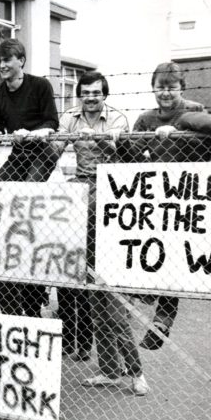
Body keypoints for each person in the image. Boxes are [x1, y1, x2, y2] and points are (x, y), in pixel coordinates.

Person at [118, 62, 211, 350]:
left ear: (182, 87)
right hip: (154, 191)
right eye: (160, 87)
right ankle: (147, 295)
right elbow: (132, 155)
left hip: (187, 192)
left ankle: (163, 319)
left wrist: (178, 128)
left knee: (177, 254)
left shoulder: (192, 108)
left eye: (172, 87)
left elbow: (203, 129)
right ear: (153, 88)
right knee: (153, 249)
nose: (166, 93)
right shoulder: (145, 118)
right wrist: (120, 142)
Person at [54, 71, 149, 395]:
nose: (91, 97)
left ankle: (136, 372)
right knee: (94, 301)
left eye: (97, 92)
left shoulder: (118, 118)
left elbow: (122, 151)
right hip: (82, 191)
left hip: (111, 193)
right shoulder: (71, 116)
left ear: (104, 95)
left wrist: (95, 137)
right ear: (80, 95)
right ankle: (110, 370)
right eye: (86, 92)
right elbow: (55, 147)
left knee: (112, 304)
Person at [0, 38, 59, 319]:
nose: (2, 65)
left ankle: (28, 252)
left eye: (7, 60)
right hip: (18, 154)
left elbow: (52, 122)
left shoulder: (40, 86)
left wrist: (34, 133)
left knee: (26, 195)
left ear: (21, 60)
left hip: (41, 152)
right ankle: (7, 248)